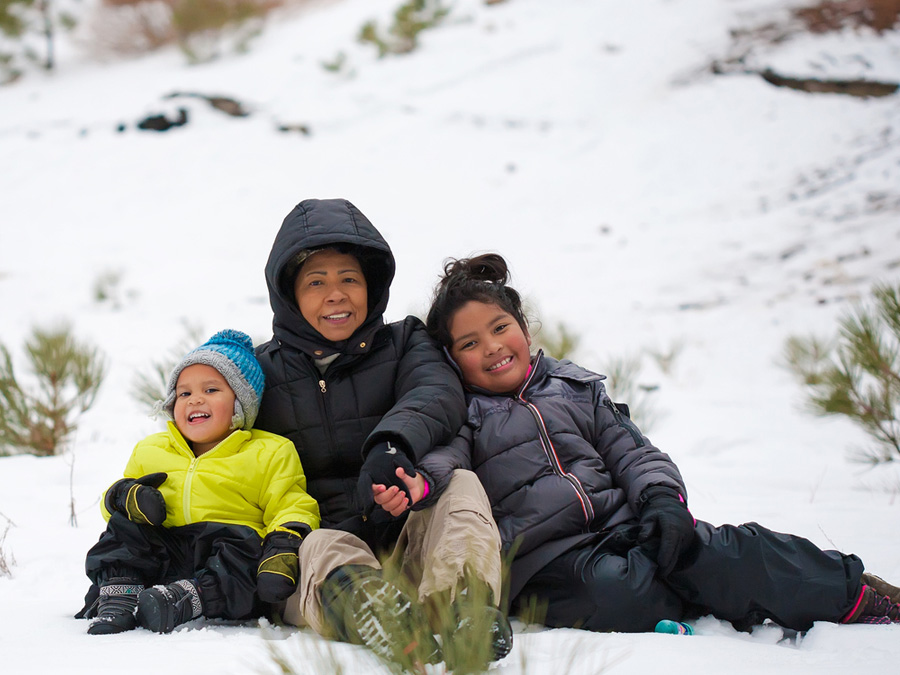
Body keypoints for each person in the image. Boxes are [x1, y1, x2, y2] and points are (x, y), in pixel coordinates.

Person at [383, 252, 900, 634]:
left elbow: (632, 451)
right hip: (551, 559)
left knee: (718, 550)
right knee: (618, 591)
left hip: (624, 525)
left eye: (500, 327)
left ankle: (853, 592)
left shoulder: (574, 387)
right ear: (451, 360)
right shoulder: (464, 415)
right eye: (470, 344)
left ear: (523, 325)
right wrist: (418, 483)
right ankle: (699, 597)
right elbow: (446, 466)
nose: (493, 347)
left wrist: (660, 500)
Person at [253, 198, 511, 669]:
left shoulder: (406, 340)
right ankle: (377, 613)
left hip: (409, 542)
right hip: (324, 563)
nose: (336, 294)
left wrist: (392, 444)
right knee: (317, 544)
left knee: (461, 485)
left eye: (349, 279)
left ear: (371, 287)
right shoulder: (260, 373)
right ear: (288, 295)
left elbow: (437, 393)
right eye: (317, 282)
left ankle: (466, 610)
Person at [77, 329, 320, 635]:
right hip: (167, 553)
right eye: (184, 393)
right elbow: (110, 511)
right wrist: (124, 496)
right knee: (124, 527)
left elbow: (291, 504)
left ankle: (189, 599)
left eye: (211, 390)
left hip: (222, 558)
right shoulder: (152, 448)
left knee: (246, 550)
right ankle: (121, 595)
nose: (195, 400)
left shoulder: (270, 451)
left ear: (240, 403)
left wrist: (283, 548)